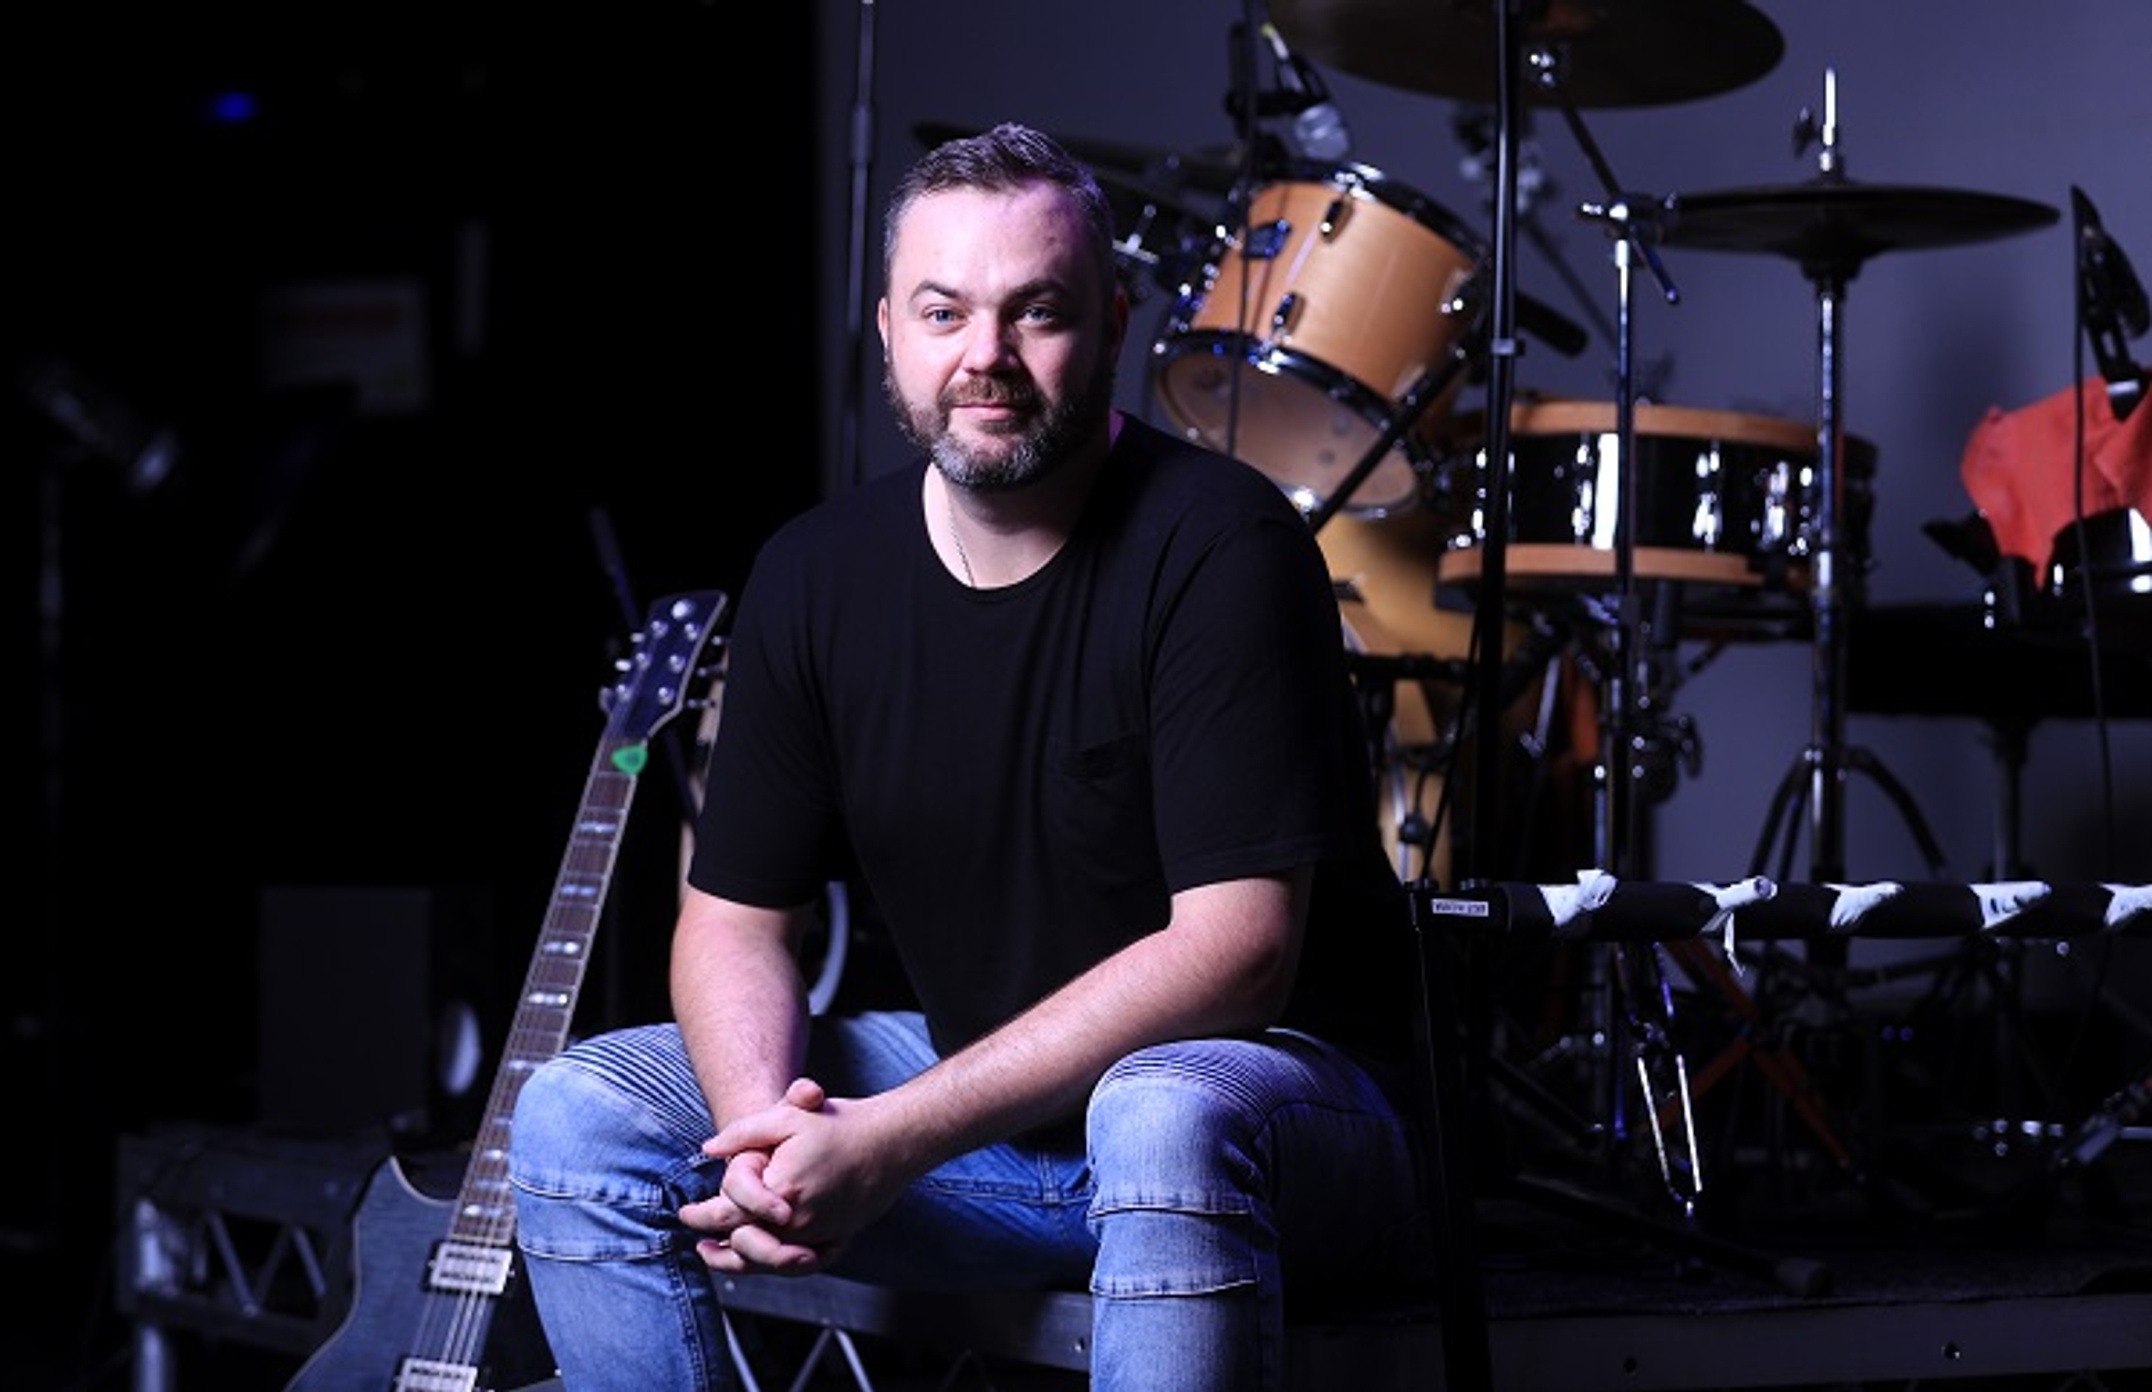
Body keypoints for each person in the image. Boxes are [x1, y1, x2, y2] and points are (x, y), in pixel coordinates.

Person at [508, 121, 1438, 1392]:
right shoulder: (813, 575)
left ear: (1113, 324)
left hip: (1285, 1133)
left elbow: (1238, 951)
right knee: (578, 1113)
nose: (984, 359)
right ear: (888, 327)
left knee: (1157, 1111)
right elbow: (730, 923)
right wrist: (763, 1142)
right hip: (988, 1124)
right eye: (944, 313)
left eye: (1035, 312)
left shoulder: (1222, 543)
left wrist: (889, 1141)